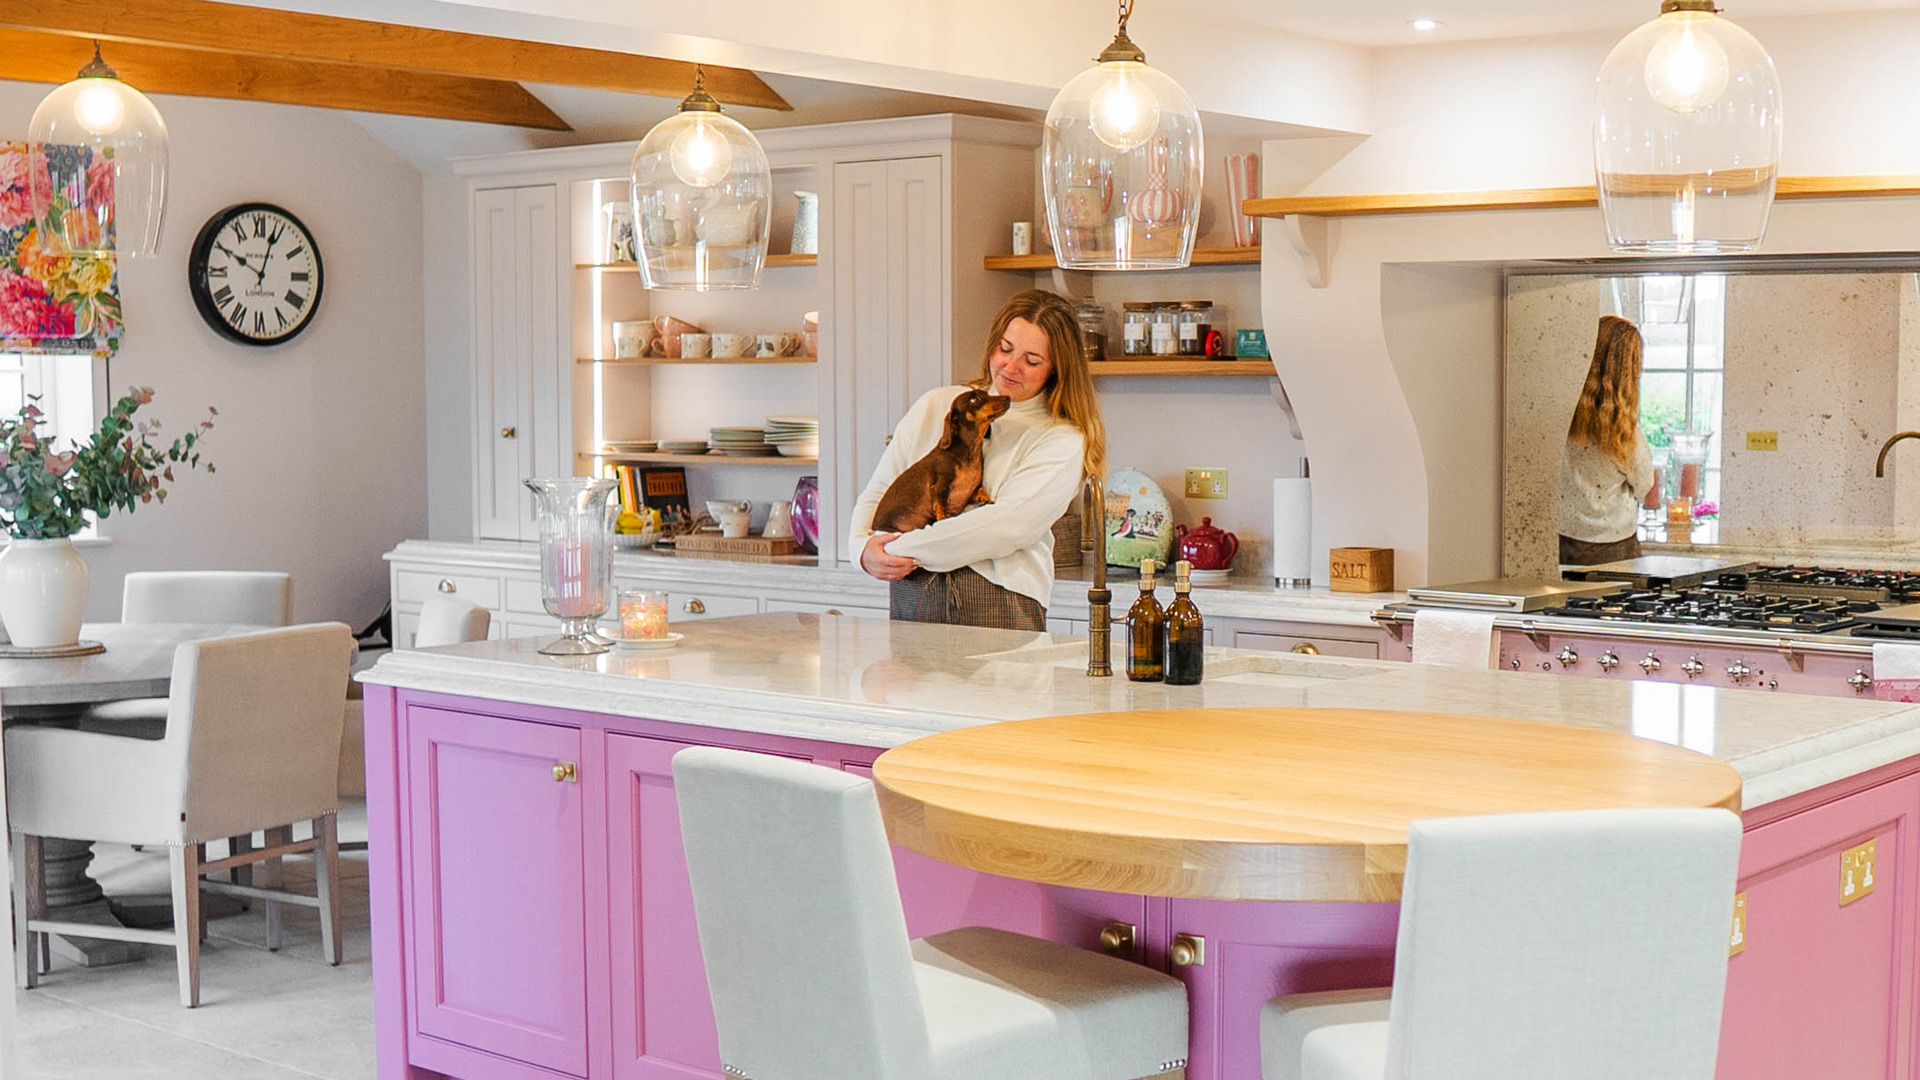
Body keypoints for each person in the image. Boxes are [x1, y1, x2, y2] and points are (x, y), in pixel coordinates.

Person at [849, 289, 1107, 631]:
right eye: (1005, 348)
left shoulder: (1059, 438)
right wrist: (862, 550)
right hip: (913, 589)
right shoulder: (938, 406)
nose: (1010, 367)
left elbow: (1004, 526)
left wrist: (899, 548)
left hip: (999, 598)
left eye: (1031, 361)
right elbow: (881, 489)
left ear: (1057, 369)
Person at [1560, 314, 1656, 566]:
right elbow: (1644, 485)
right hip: (1614, 544)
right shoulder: (1623, 431)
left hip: (1561, 539)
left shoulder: (1560, 417)